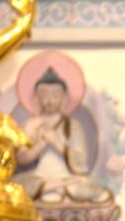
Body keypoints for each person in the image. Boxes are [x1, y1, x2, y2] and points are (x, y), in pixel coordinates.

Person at [14, 69, 112, 204]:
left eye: (55, 96)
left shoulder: (72, 125)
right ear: (36, 98)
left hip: (67, 175)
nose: (49, 100)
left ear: (64, 98)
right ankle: (57, 187)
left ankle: (51, 188)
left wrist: (56, 142)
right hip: (40, 174)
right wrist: (40, 145)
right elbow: (21, 158)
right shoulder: (31, 125)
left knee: (88, 184)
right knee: (14, 185)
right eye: (44, 95)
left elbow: (81, 160)